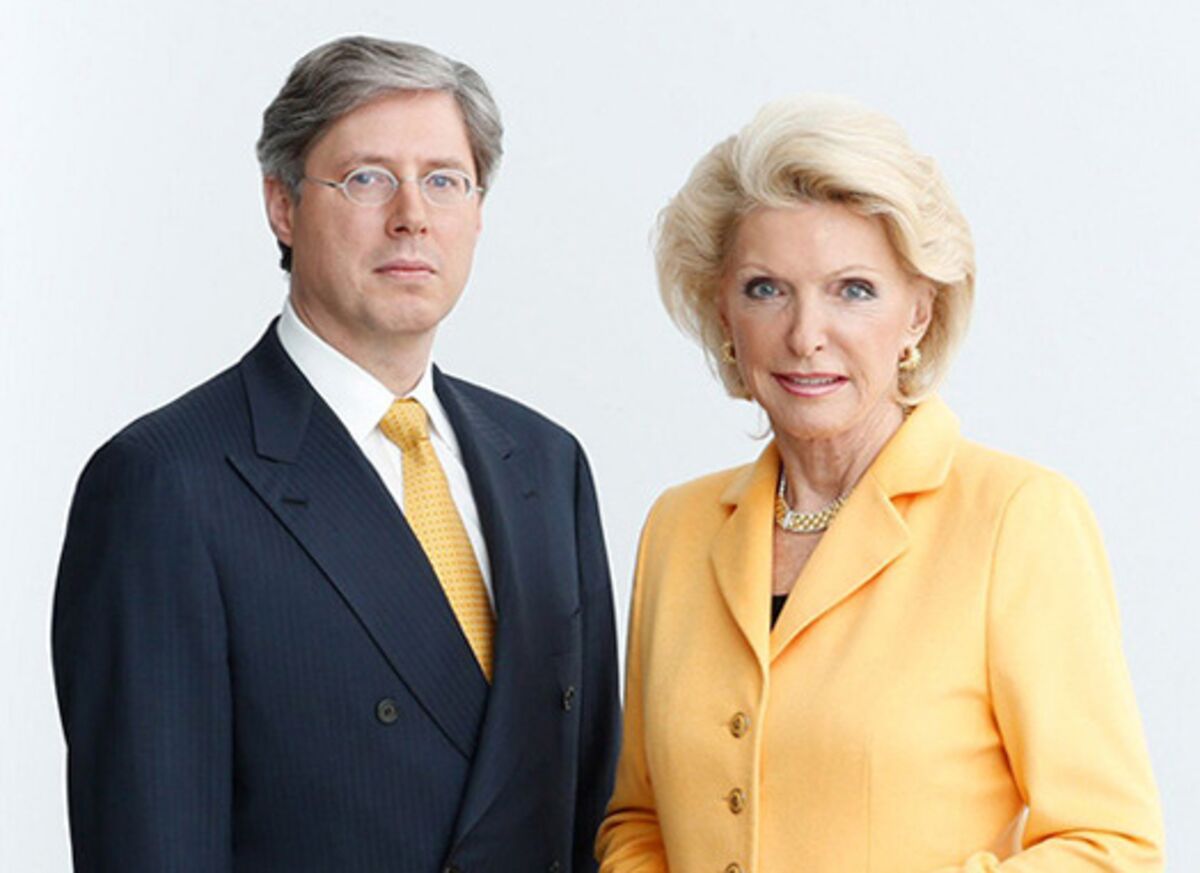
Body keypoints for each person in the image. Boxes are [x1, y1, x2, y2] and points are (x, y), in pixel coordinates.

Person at [52, 35, 620, 873]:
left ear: (478, 210)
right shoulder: (165, 483)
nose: (412, 214)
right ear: (282, 205)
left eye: (444, 179)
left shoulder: (546, 463)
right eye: (366, 178)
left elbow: (592, 809)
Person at [596, 96, 1164, 872]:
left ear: (919, 313)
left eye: (853, 289)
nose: (805, 335)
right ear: (722, 309)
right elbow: (639, 820)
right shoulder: (679, 525)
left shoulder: (1017, 519)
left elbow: (1113, 845)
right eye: (766, 288)